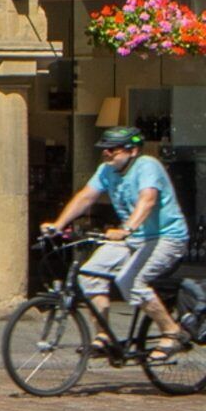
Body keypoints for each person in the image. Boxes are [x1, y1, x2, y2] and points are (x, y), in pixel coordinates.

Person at [48, 125, 189, 357]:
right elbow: (85, 197)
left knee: (131, 281)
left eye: (112, 150)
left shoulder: (147, 166)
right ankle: (103, 336)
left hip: (166, 237)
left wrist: (126, 229)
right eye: (105, 149)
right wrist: (57, 225)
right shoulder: (106, 170)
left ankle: (172, 332)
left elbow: (148, 199)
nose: (106, 154)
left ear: (132, 150)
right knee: (89, 272)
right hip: (134, 238)